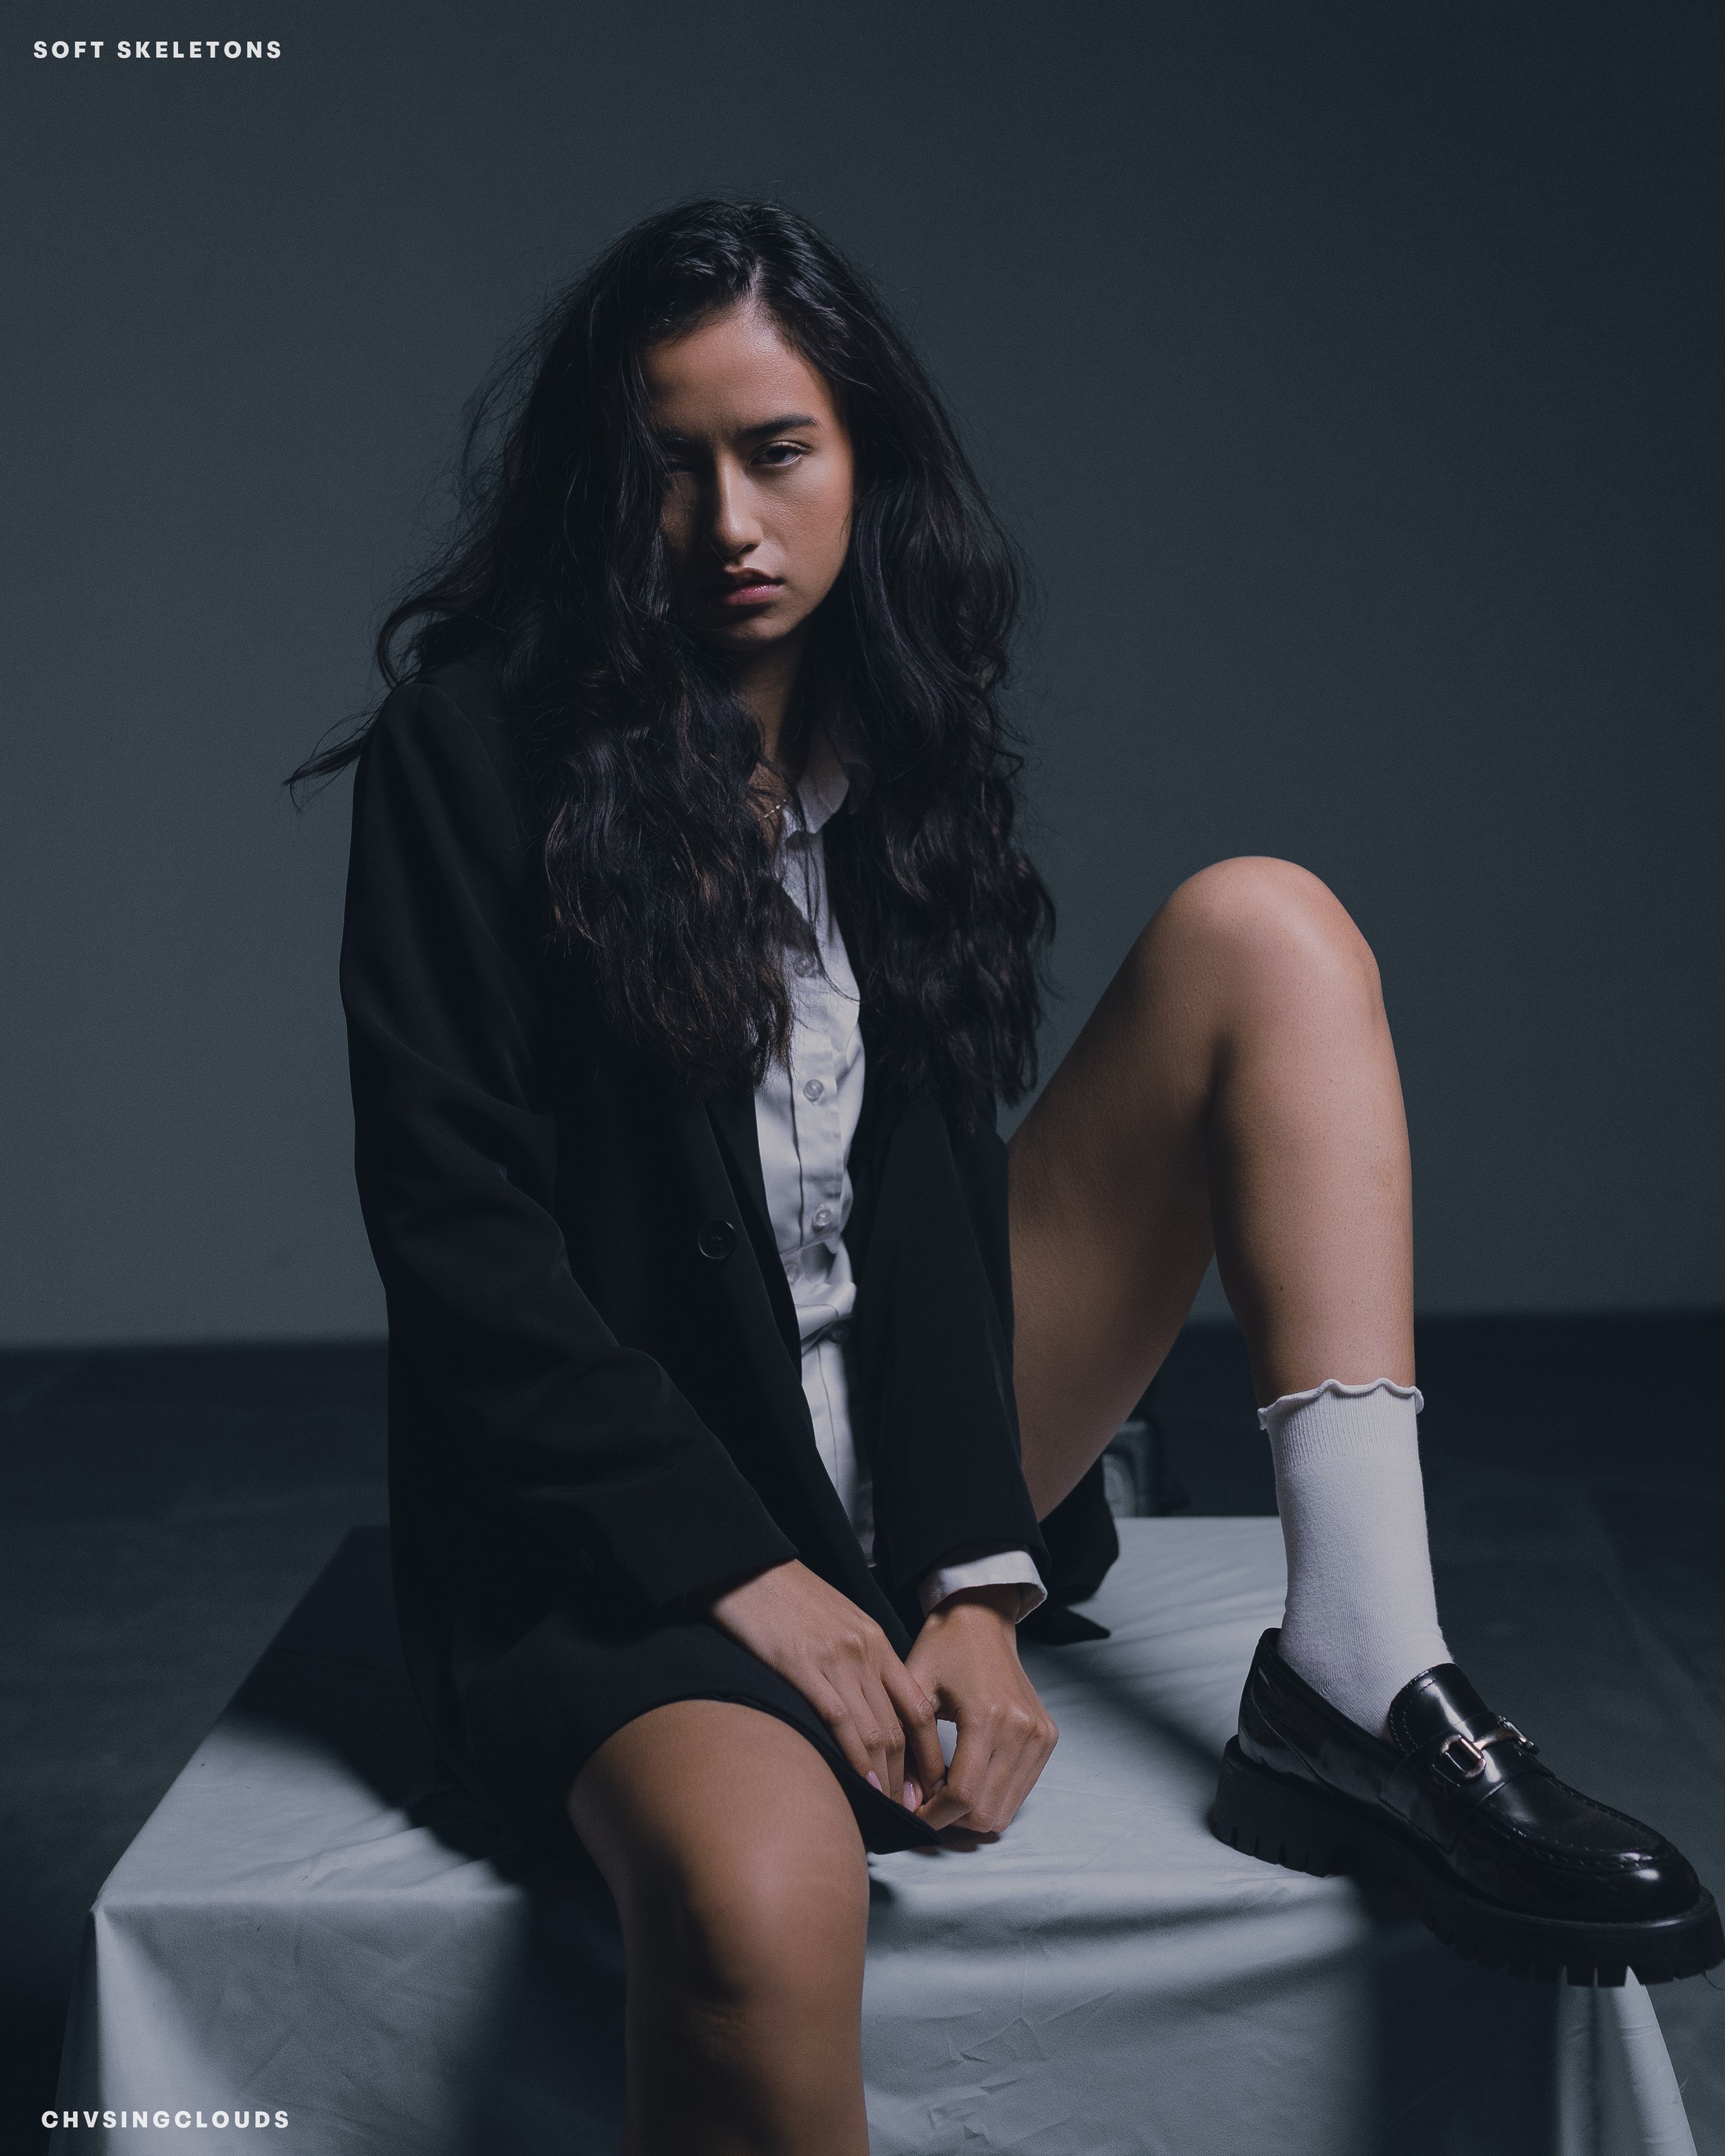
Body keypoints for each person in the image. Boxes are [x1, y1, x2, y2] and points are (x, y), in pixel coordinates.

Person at [302, 199, 1719, 2156]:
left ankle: (1363, 1681)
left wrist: (973, 1573)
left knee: (1267, 931)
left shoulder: (897, 724)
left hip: (906, 1432)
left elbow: (934, 1189)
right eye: (666, 468)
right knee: (753, 1912)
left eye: (777, 452)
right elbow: (458, 1243)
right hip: (632, 1529)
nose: (727, 522)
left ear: (862, 458)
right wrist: (759, 1584)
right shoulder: (468, 755)